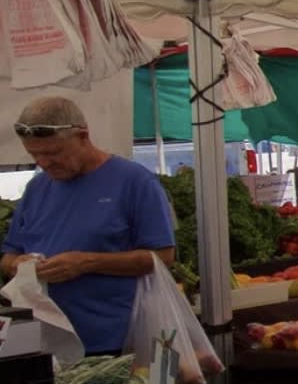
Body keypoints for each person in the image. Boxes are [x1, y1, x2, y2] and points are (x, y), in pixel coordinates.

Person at [0, 97, 177, 354]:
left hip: (119, 342)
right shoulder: (37, 188)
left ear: (83, 136)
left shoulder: (135, 182)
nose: (44, 163)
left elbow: (162, 257)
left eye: (53, 153)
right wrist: (19, 265)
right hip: (46, 343)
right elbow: (9, 256)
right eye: (34, 155)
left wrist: (87, 262)